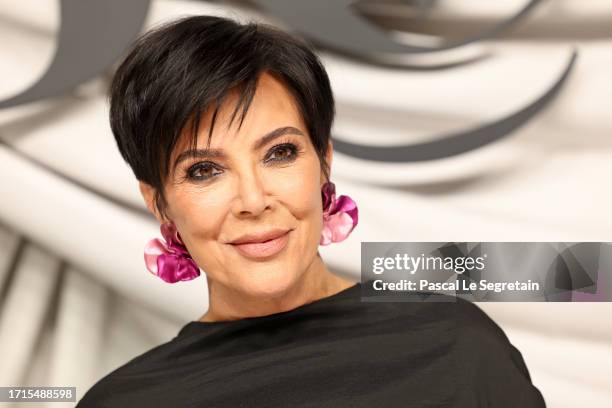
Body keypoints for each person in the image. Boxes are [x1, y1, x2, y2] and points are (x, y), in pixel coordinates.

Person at [76, 15, 546, 407]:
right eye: (203, 171)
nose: (254, 200)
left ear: (323, 162)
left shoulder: (454, 344)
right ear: (159, 202)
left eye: (279, 153)